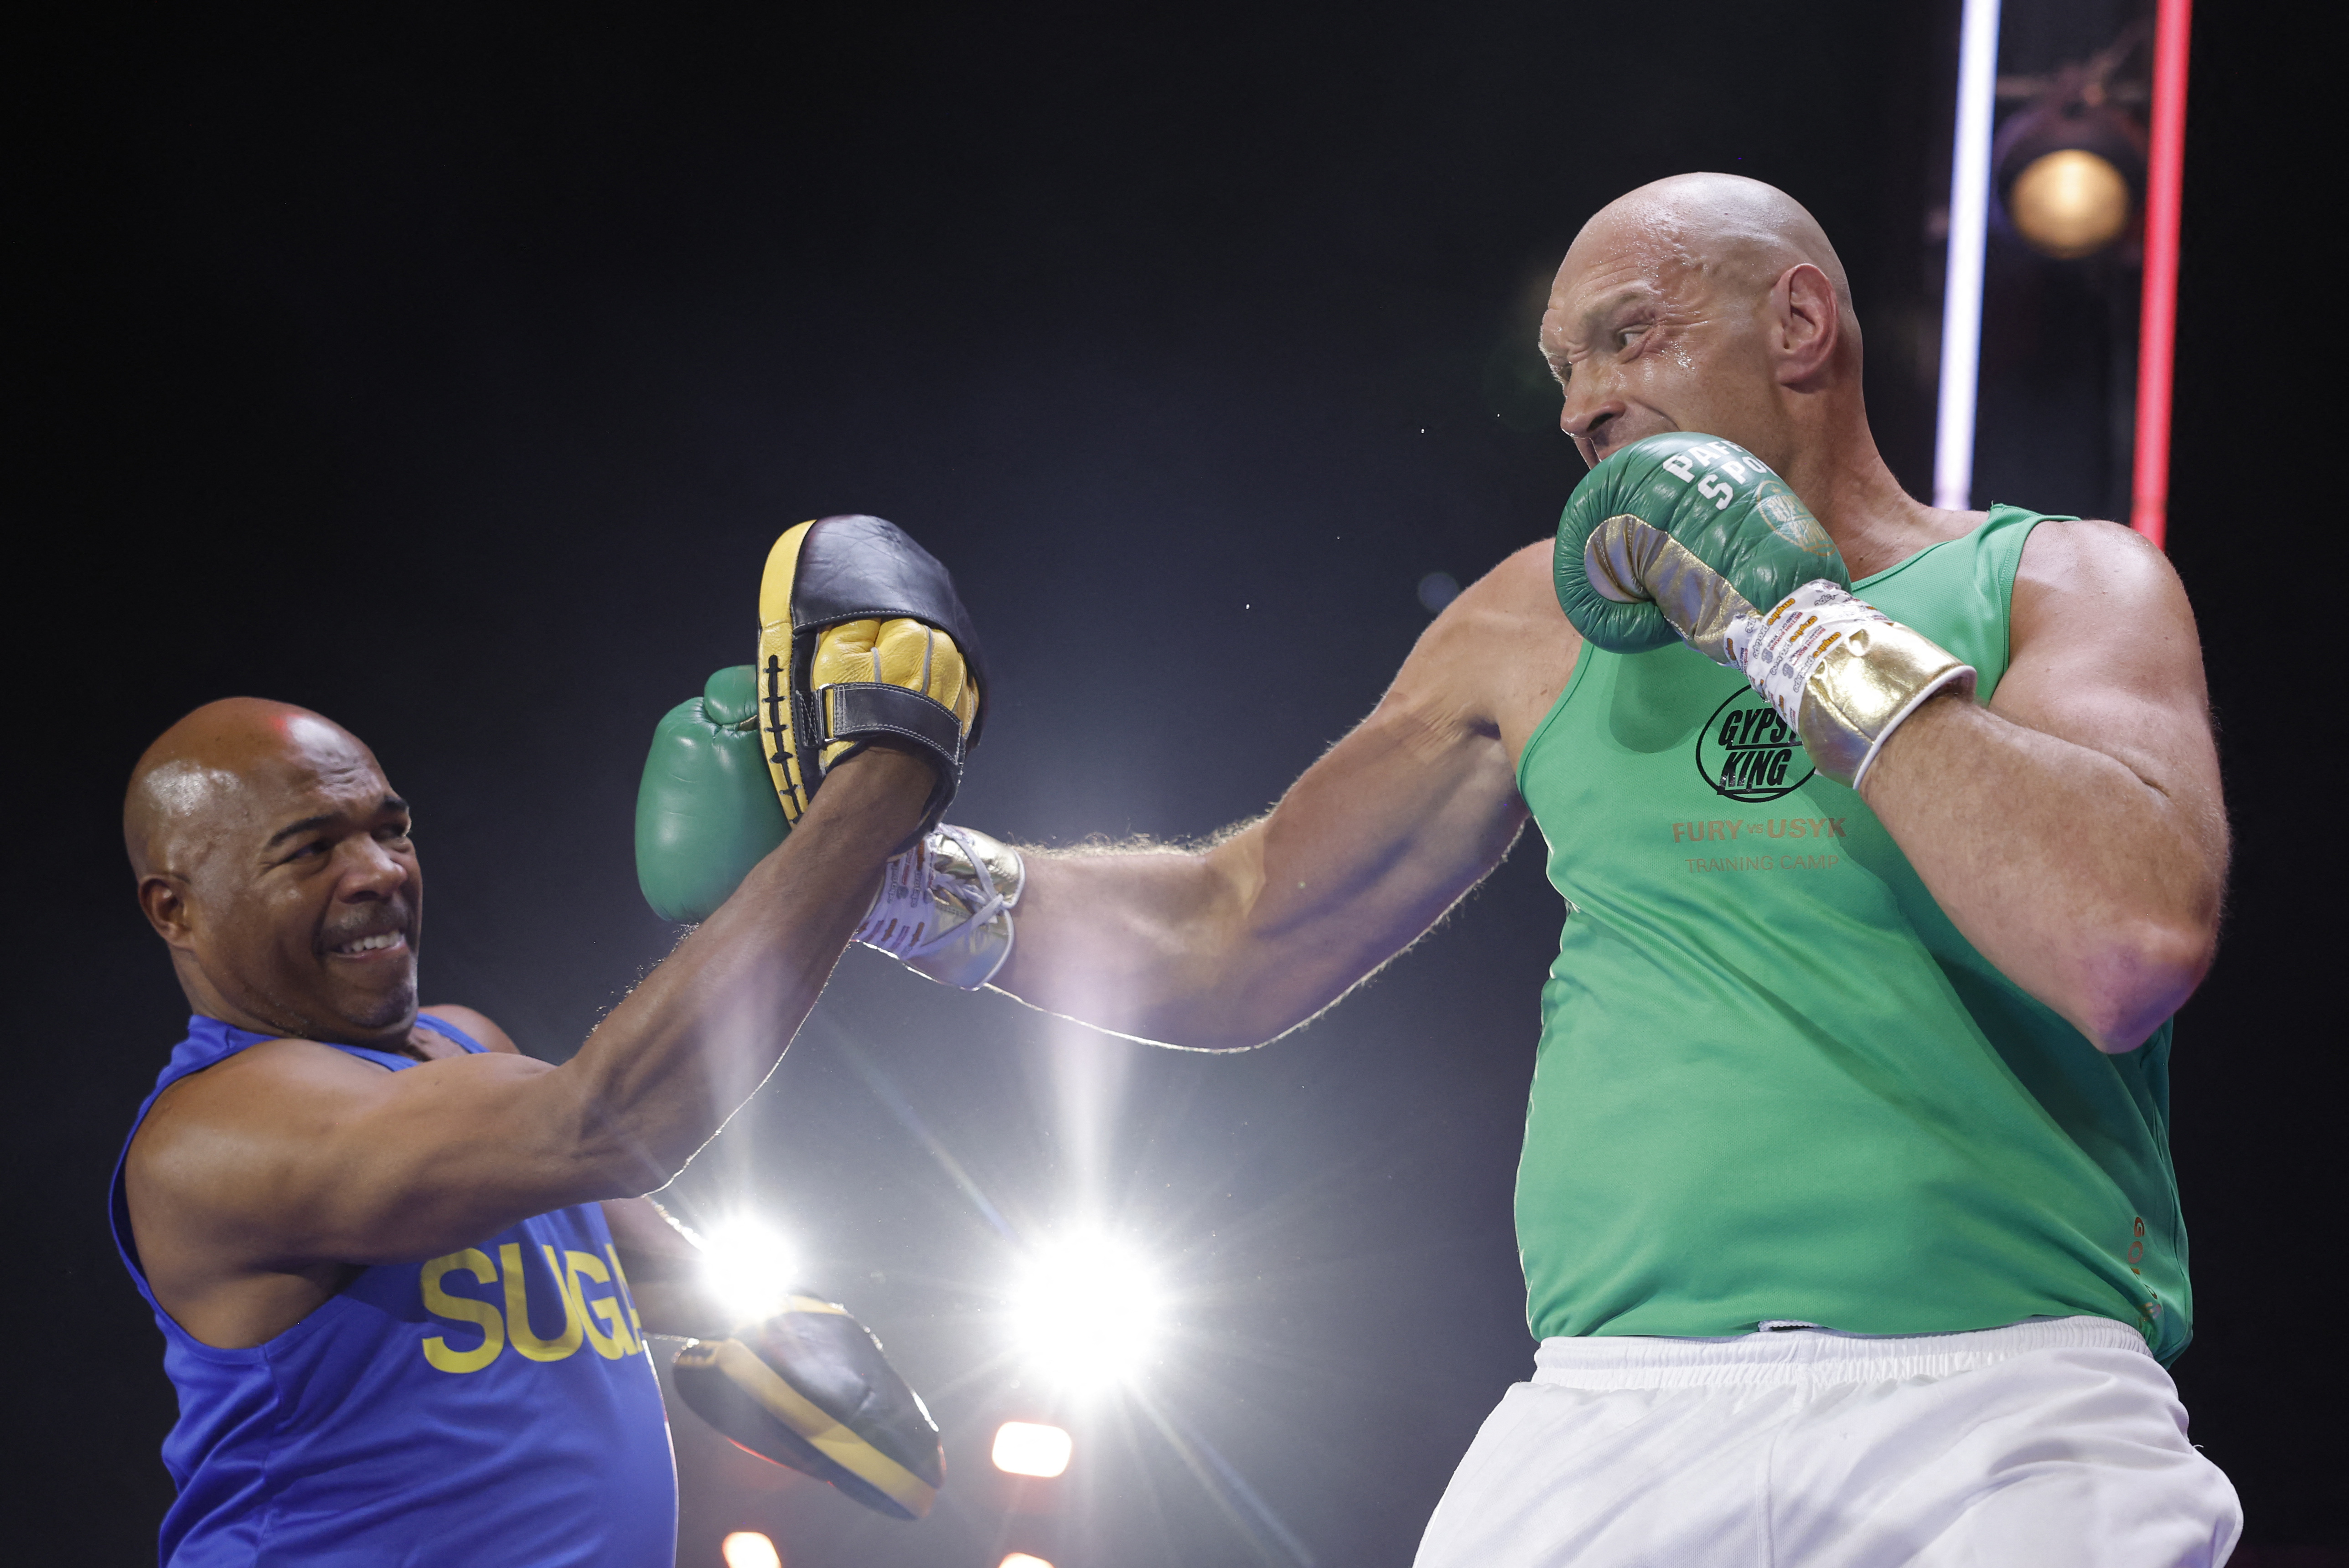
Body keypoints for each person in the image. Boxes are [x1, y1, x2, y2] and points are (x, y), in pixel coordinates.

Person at [837, 173, 2240, 1564]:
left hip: (2006, 1408)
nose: (1581, 405)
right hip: (1610, 1412)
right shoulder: (1534, 630)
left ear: (1802, 321)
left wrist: (1798, 630)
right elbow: (1242, 922)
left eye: (1630, 336)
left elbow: (2125, 943)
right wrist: (897, 882)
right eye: (1564, 368)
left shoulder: (2056, 584)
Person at [113, 521, 983, 1564]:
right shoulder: (212, 1136)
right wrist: (878, 780)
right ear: (177, 909)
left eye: (389, 828)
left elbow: (626, 1248)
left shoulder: (463, 1047)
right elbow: (608, 1123)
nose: (380, 872)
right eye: (311, 849)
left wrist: (769, 1328)